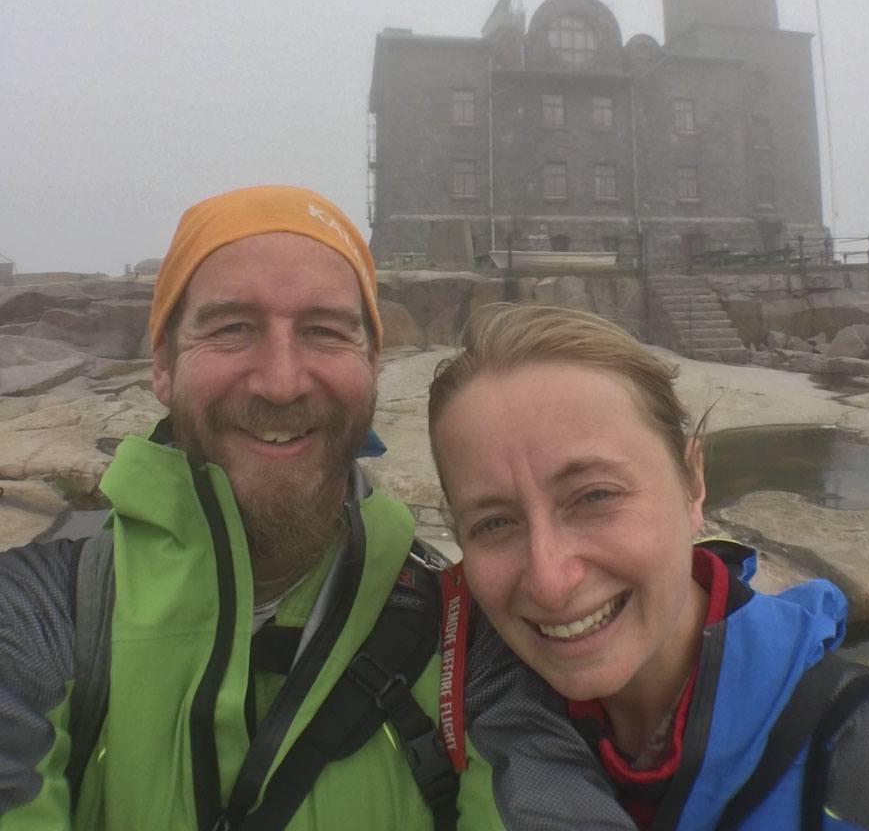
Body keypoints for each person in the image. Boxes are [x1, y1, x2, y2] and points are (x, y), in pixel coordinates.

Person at [0, 185, 518, 830]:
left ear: (373, 365)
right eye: (231, 328)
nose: (281, 382)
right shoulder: (36, 618)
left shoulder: (473, 641)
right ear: (162, 365)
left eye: (325, 332)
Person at [428, 304, 869, 831]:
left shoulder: (867, 759)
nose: (549, 581)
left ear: (693, 482)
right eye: (494, 524)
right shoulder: (452, 693)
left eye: (595, 496)